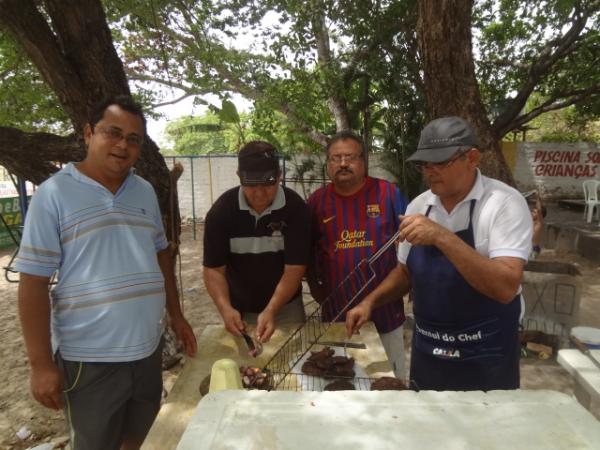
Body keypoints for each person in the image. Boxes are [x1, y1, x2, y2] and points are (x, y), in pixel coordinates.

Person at [15, 95, 197, 450]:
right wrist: (40, 364)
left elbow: (161, 253)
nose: (122, 145)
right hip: (90, 358)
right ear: (88, 133)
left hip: (147, 351)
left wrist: (176, 315)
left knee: (142, 440)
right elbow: (33, 282)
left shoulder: (143, 191)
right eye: (113, 133)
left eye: (133, 139)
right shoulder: (53, 195)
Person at [346, 116, 533, 391]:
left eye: (441, 162)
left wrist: (441, 236)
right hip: (429, 349)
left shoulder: (503, 204)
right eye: (425, 164)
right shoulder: (418, 207)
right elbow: (405, 272)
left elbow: (506, 286)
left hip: (485, 353)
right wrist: (370, 302)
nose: (430, 171)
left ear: (472, 157)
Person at [307, 131, 409, 378]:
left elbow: (410, 251)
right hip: (336, 318)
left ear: (364, 161)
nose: (342, 163)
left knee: (389, 385)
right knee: (338, 385)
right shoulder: (317, 202)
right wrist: (317, 291)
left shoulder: (388, 194)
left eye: (350, 157)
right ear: (328, 164)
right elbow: (308, 255)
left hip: (386, 315)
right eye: (335, 158)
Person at [203, 141, 310, 343]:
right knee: (247, 366)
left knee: (295, 361)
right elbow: (213, 269)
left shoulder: (296, 209)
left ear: (279, 176)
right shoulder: (221, 212)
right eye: (251, 183)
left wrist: (271, 310)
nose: (259, 193)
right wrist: (225, 309)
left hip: (287, 307)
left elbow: (295, 268)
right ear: (239, 177)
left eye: (268, 182)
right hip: (239, 310)